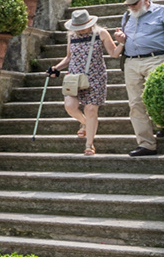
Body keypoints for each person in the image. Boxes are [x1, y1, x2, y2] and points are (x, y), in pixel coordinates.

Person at [113, 0, 164, 156]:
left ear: (146, 0)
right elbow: (125, 38)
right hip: (131, 61)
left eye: (134, 3)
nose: (131, 7)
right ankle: (146, 144)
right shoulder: (127, 15)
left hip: (157, 58)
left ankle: (163, 124)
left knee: (159, 96)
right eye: (128, 4)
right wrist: (121, 39)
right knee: (135, 104)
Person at [48, 9, 117, 155]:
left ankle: (89, 145)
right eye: (77, 27)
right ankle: (86, 123)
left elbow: (114, 53)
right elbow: (68, 58)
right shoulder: (72, 36)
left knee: (91, 109)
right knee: (70, 106)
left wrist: (122, 43)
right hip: (74, 77)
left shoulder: (101, 33)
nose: (80, 30)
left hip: (95, 76)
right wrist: (56, 68)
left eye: (83, 26)